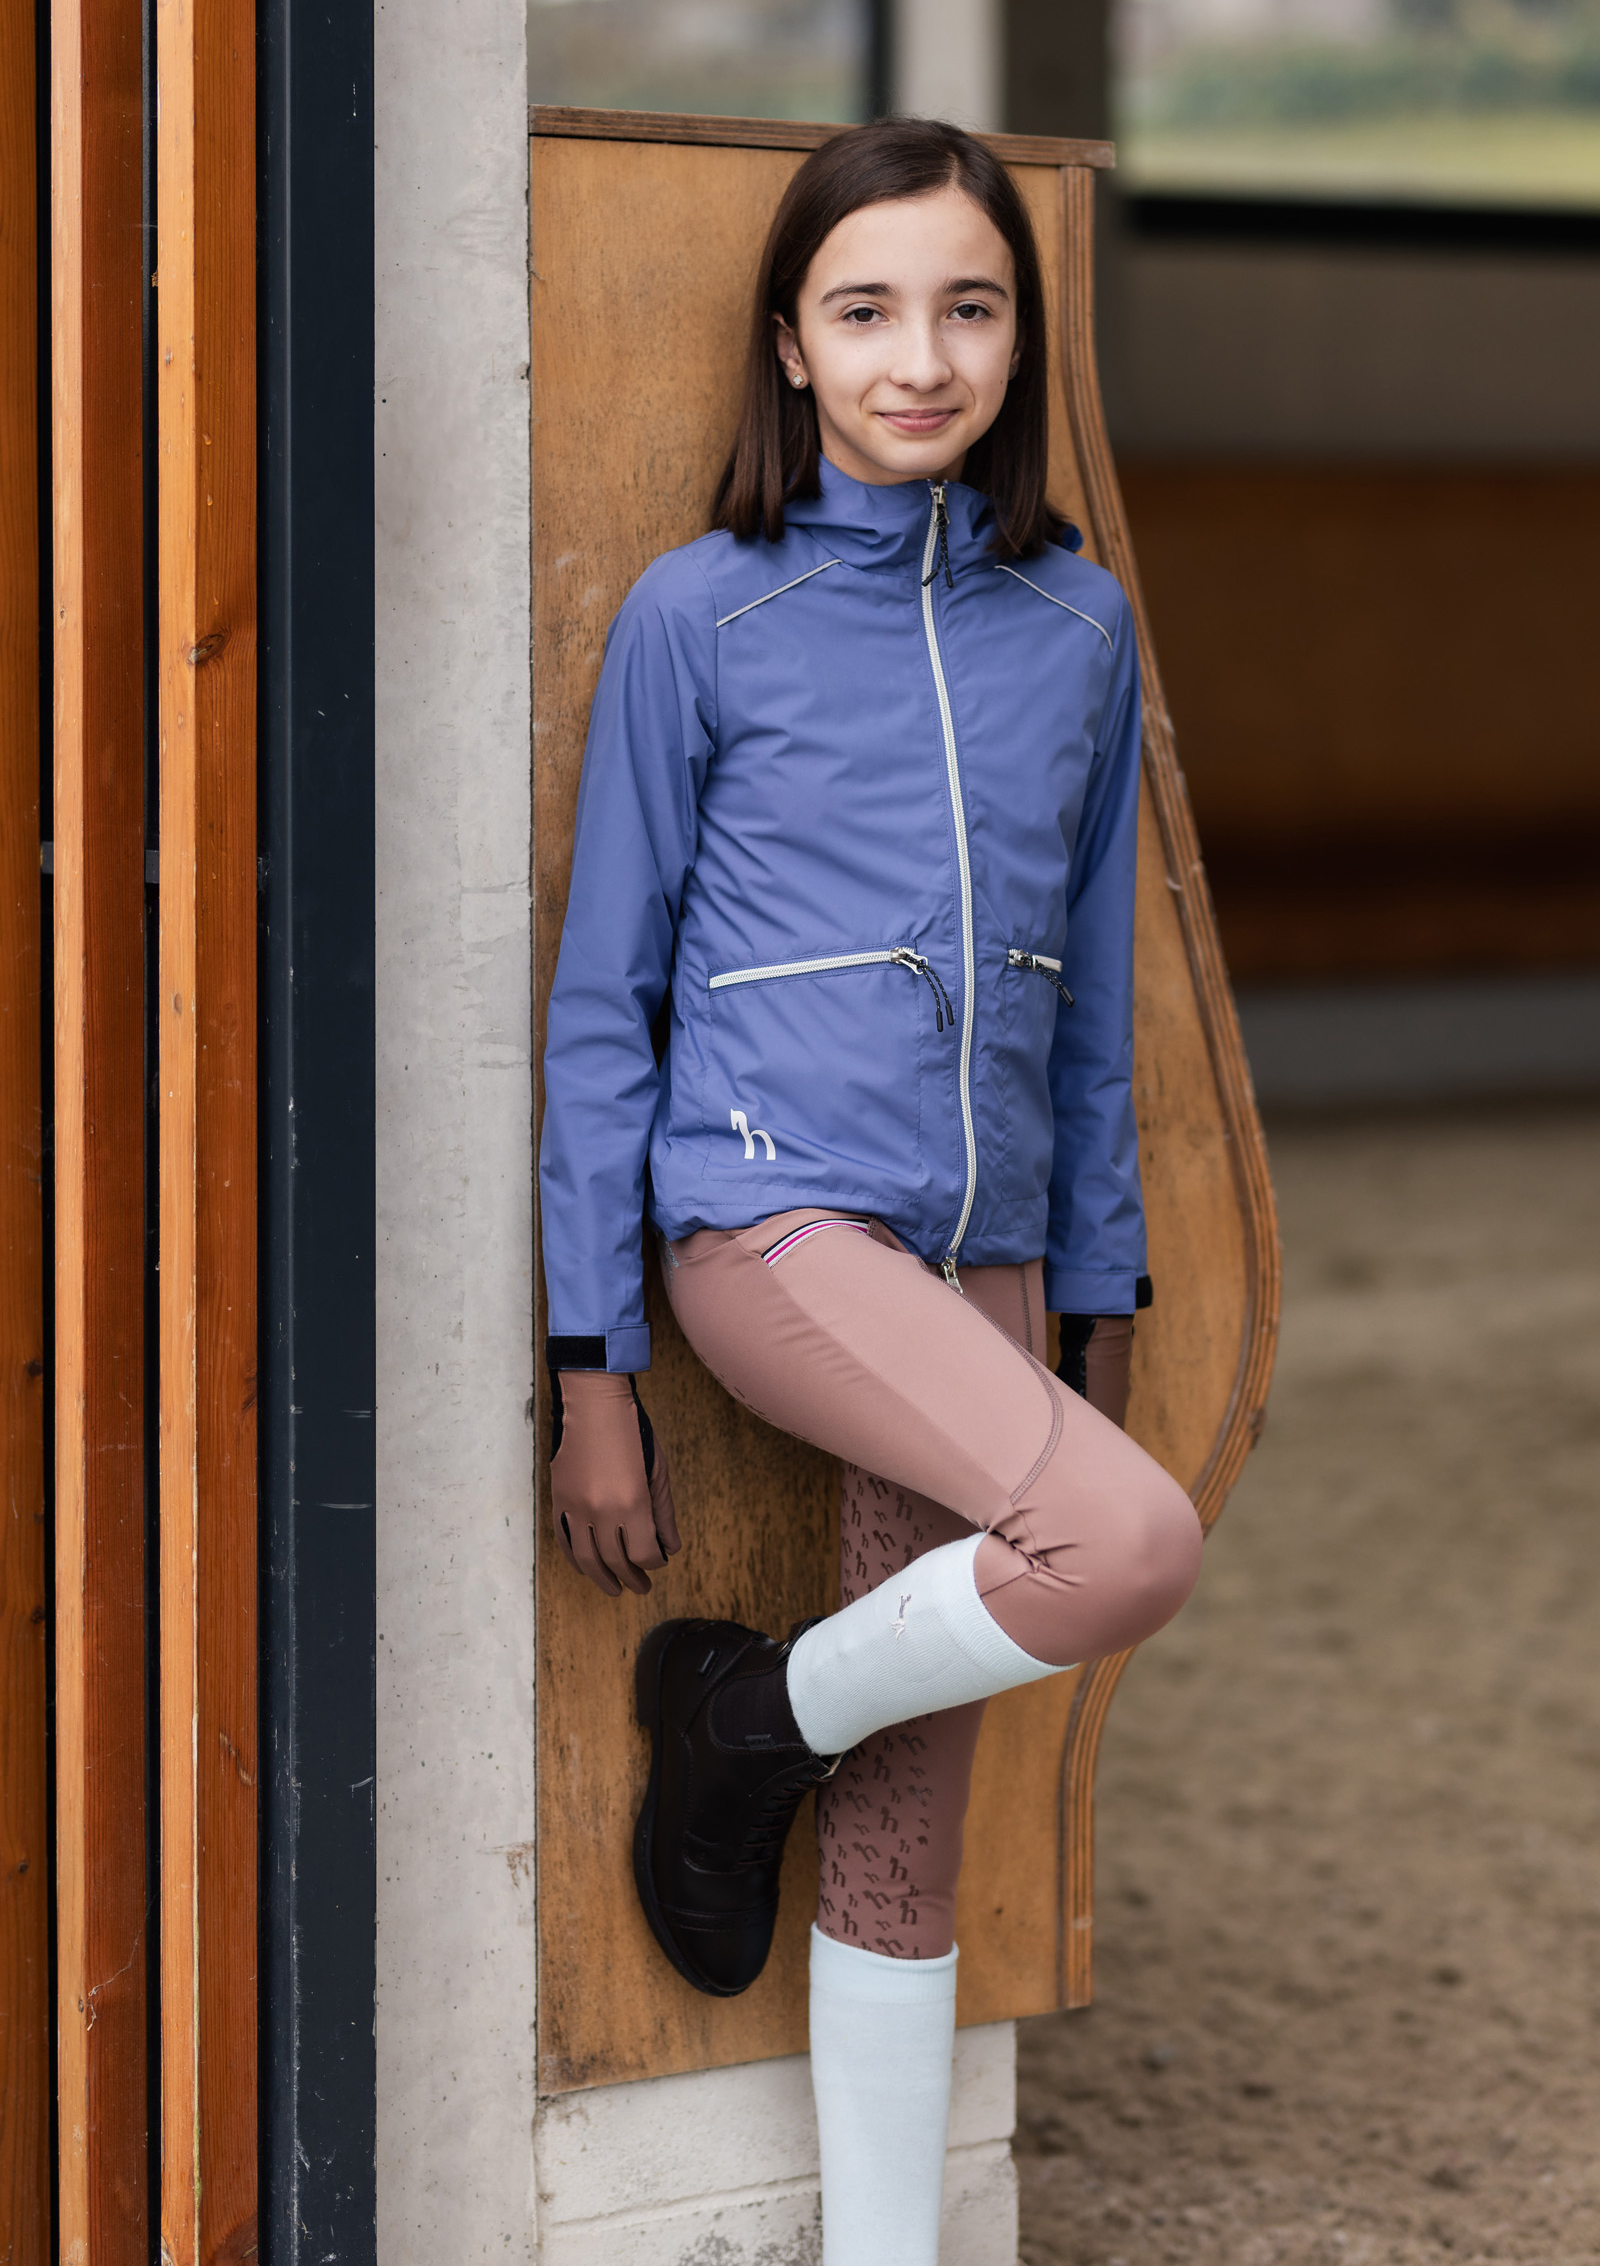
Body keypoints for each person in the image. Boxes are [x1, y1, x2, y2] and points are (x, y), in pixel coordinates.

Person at [538, 116, 1203, 2266]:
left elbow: (1088, 1002)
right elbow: (597, 1001)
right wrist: (592, 1361)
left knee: (904, 1824)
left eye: (967, 306)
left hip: (984, 1257)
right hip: (768, 1230)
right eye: (865, 309)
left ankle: (886, 2254)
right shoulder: (695, 616)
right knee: (1123, 1540)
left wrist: (1089, 1289)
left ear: (1017, 335)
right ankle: (742, 1713)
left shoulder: (1072, 628)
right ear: (789, 345)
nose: (919, 355)